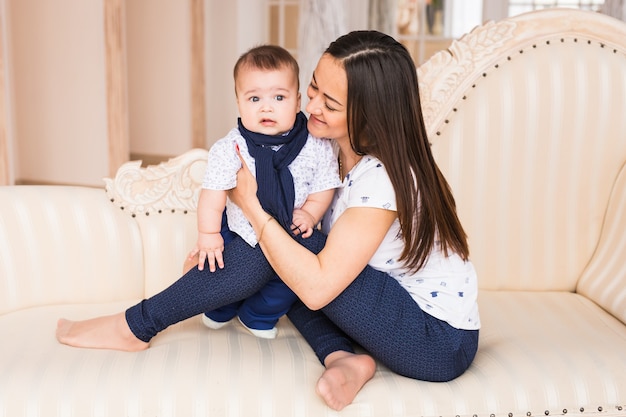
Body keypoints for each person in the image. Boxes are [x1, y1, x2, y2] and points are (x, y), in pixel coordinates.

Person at [56, 30, 480, 412]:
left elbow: (315, 285)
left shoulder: (384, 179)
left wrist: (253, 209)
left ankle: (136, 326)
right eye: (312, 86)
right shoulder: (325, 145)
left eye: (329, 103)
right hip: (378, 312)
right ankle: (345, 356)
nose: (310, 105)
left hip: (434, 342)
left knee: (277, 246)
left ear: (369, 114)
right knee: (283, 260)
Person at [187, 44, 340, 339]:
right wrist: (208, 234)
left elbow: (325, 187)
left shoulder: (316, 146)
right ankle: (220, 309)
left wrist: (309, 213)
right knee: (221, 275)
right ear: (239, 103)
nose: (266, 107)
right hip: (239, 229)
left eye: (279, 97)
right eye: (254, 98)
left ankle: (256, 315)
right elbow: (213, 194)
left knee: (284, 285)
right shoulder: (231, 147)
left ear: (297, 102)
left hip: (289, 234)